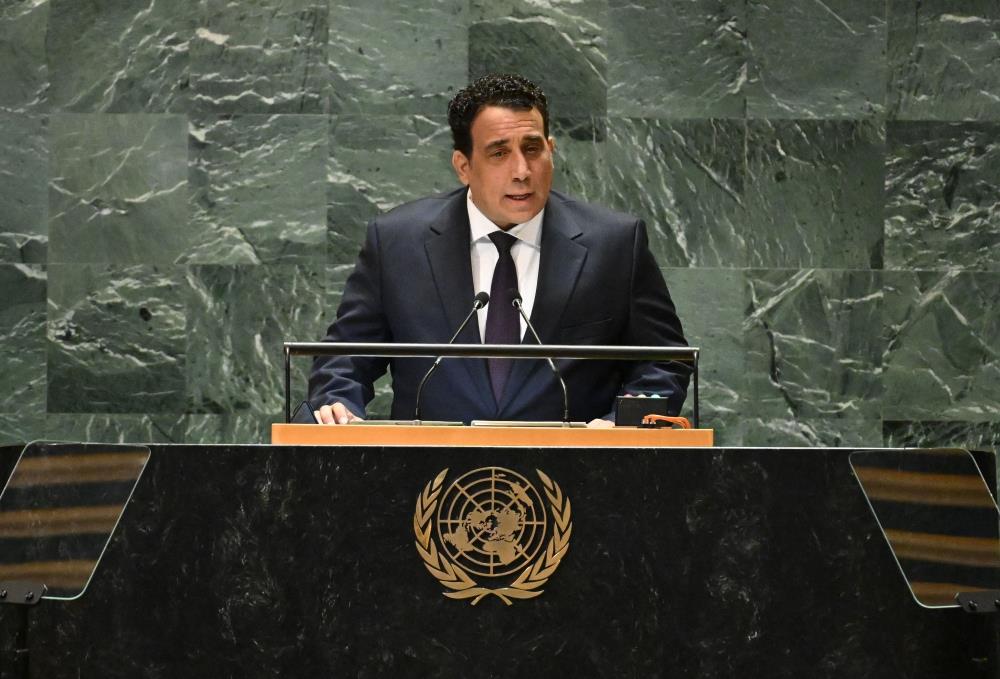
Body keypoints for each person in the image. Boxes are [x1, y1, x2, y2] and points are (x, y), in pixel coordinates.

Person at [309, 73, 689, 426]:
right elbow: (344, 359)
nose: (521, 171)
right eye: (499, 154)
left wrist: (624, 423)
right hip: (431, 470)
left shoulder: (614, 244)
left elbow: (664, 362)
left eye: (533, 148)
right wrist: (338, 406)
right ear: (463, 166)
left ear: (551, 149)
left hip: (577, 469)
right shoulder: (398, 243)